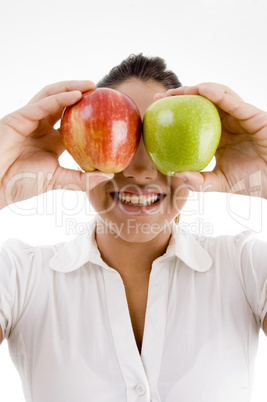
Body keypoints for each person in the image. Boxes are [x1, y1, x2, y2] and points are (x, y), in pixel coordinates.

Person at [0, 53, 266, 402]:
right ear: (77, 142)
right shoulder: (19, 276)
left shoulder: (247, 265)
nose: (140, 171)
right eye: (121, 134)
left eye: (158, 139)